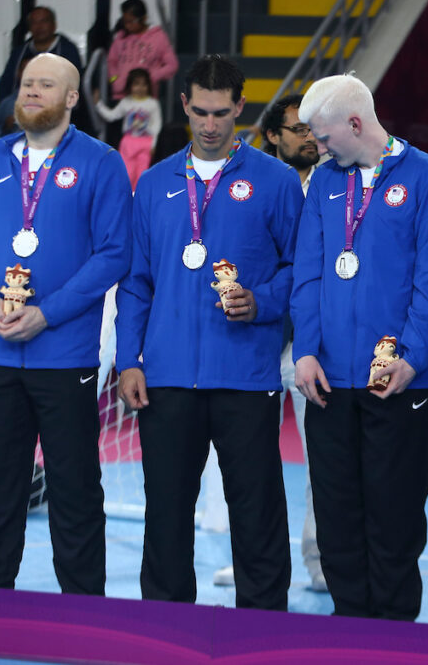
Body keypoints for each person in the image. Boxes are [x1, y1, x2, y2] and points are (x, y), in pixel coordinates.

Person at [116, 55, 302, 610]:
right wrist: (130, 359)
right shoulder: (152, 184)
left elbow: (301, 269)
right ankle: (164, 634)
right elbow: (136, 282)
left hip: (245, 374)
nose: (211, 124)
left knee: (257, 513)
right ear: (184, 106)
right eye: (200, 111)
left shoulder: (276, 181)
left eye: (223, 112)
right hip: (168, 377)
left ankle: (264, 633)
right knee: (167, 514)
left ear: (241, 108)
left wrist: (263, 300)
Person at [0, 53, 132, 594]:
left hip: (67, 358)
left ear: (72, 98)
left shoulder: (101, 163)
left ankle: (84, 612)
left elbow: (115, 253)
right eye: (26, 83)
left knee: (75, 493)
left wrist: (46, 313)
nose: (31, 92)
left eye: (45, 85)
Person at [292, 73, 428, 620]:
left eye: (321, 135)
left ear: (356, 124)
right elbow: (310, 272)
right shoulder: (323, 182)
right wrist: (307, 350)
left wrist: (412, 357)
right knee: (337, 519)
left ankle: (393, 637)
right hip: (329, 381)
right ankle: (348, 633)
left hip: (396, 382)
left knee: (394, 518)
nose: (315, 146)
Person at [212, 93, 326, 591]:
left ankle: (324, 565)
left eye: (313, 129)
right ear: (273, 137)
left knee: (323, 462)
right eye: (298, 129)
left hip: (314, 345)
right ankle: (253, 564)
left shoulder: (336, 186)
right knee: (251, 464)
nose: (310, 137)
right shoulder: (252, 187)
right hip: (255, 338)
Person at [94, 68, 161, 190]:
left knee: (142, 175)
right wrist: (98, 104)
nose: (140, 88)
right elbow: (111, 116)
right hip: (128, 143)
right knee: (127, 173)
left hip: (146, 142)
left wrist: (153, 144)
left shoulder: (153, 104)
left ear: (149, 86)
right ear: (130, 86)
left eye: (144, 84)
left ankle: (138, 202)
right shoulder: (126, 102)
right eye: (136, 84)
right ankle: (126, 200)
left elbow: (157, 125)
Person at [0, 7, 84, 102]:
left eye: (44, 21)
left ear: (54, 25)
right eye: (34, 23)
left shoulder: (67, 50)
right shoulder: (19, 52)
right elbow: (7, 84)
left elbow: (74, 87)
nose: (39, 27)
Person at [106, 0, 178, 102]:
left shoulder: (159, 37)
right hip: (121, 97)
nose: (128, 25)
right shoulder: (120, 38)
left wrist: (150, 78)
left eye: (131, 21)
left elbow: (172, 65)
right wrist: (115, 80)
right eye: (125, 21)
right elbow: (111, 62)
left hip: (145, 98)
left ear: (143, 19)